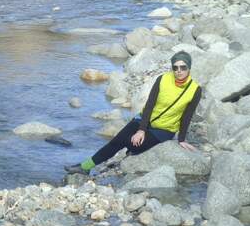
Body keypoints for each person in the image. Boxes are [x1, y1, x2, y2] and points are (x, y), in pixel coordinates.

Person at [65, 51, 202, 175]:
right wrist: (141, 130)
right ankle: (85, 166)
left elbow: (187, 116)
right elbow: (149, 105)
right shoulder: (163, 79)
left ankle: (130, 151)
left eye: (183, 67)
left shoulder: (195, 90)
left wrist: (181, 139)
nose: (179, 71)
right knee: (117, 140)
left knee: (131, 143)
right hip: (144, 119)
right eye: (175, 67)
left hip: (164, 130)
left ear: (189, 67)